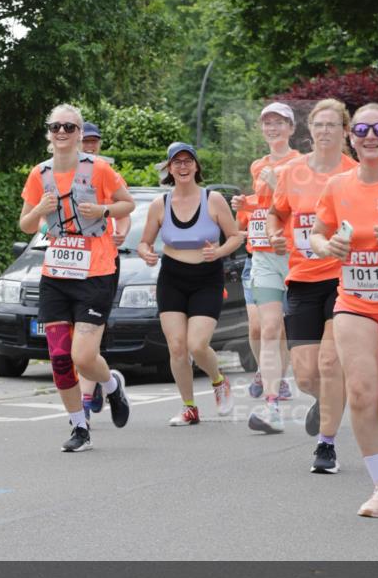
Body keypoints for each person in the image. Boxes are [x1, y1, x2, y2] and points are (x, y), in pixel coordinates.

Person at [310, 103, 378, 517]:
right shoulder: (337, 186)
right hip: (354, 301)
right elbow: (318, 234)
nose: (370, 136)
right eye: (362, 129)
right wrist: (327, 246)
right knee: (360, 393)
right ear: (351, 136)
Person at [20, 104, 135, 452]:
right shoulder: (38, 174)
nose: (62, 133)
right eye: (55, 127)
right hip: (55, 273)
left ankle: (111, 384)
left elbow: (127, 205)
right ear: (48, 133)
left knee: (83, 356)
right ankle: (79, 427)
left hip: (96, 271)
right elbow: (25, 224)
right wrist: (39, 210)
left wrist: (103, 210)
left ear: (80, 133)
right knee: (58, 357)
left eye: (69, 127)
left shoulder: (98, 169)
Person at [267, 99, 356, 472]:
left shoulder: (355, 172)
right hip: (302, 279)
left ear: (344, 131)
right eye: (318, 125)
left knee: (330, 362)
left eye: (332, 125)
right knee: (305, 375)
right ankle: (328, 399)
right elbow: (276, 212)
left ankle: (326, 445)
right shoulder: (291, 172)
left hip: (344, 280)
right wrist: (274, 234)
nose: (324, 131)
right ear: (309, 130)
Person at [137, 142, 244, 425]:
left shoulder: (213, 199)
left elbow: (235, 236)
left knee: (197, 345)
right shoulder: (161, 203)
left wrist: (219, 252)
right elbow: (144, 242)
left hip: (207, 277)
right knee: (176, 346)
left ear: (196, 166)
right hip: (171, 277)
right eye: (177, 162)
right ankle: (189, 407)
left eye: (188, 161)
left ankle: (219, 381)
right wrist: (146, 252)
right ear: (169, 169)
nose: (183, 167)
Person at [231, 103, 300, 434]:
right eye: (267, 123)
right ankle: (272, 402)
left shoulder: (301, 163)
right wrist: (244, 206)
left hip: (294, 256)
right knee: (266, 327)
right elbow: (261, 208)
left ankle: (311, 386)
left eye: (279, 123)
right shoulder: (257, 165)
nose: (272, 128)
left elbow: (301, 207)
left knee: (299, 337)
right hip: (261, 254)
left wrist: (276, 187)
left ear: (290, 127)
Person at [80, 122, 131, 419]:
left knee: (88, 339)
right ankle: (103, 383)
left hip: (101, 262)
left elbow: (123, 208)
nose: (90, 146)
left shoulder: (106, 173)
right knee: (76, 339)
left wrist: (121, 232)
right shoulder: (59, 174)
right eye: (85, 141)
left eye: (94, 141)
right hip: (68, 266)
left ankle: (86, 400)